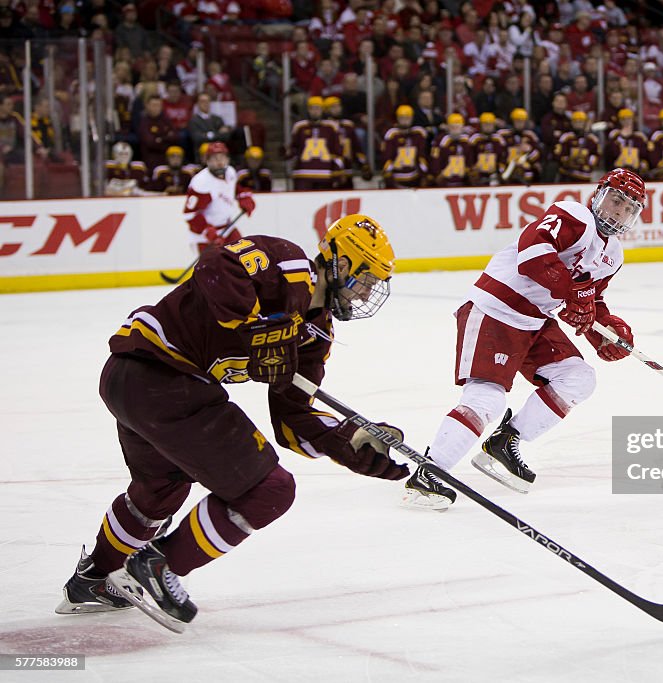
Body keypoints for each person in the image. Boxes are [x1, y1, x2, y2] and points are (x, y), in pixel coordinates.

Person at [55, 214, 409, 632]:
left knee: (161, 489)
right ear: (342, 264)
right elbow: (214, 264)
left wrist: (352, 441)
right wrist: (255, 326)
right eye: (366, 279)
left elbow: (294, 421)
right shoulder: (288, 265)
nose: (366, 292)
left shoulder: (315, 336)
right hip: (160, 373)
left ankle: (93, 579)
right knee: (270, 490)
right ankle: (160, 564)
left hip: (139, 386)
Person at [402, 168, 647, 510]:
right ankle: (430, 473)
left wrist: (605, 330)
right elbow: (531, 253)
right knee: (486, 400)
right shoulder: (574, 215)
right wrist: (573, 293)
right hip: (497, 310)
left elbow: (590, 299)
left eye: (629, 208)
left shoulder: (613, 255)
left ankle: (505, 442)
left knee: (578, 378)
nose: (619, 211)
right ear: (599, 195)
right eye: (616, 200)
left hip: (535, 322)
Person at [184, 141, 255, 251]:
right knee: (212, 267)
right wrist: (207, 231)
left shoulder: (230, 172)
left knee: (243, 255)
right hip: (204, 235)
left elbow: (234, 188)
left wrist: (244, 197)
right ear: (207, 160)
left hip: (227, 228)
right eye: (215, 158)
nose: (220, 162)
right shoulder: (201, 182)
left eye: (222, 158)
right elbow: (190, 215)